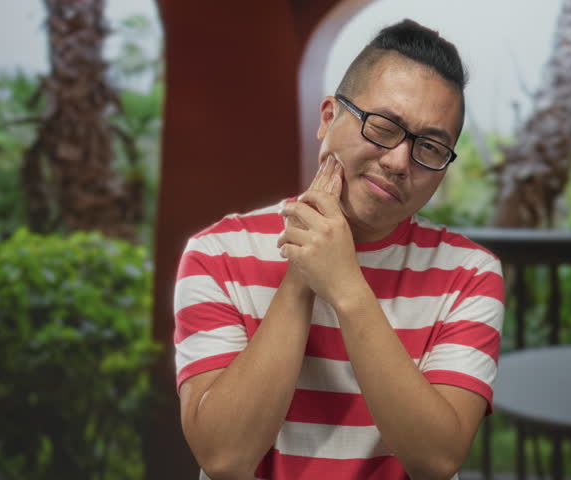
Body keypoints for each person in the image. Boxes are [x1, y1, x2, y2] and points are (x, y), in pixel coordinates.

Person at [174, 19, 504, 480]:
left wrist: (346, 287)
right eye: (384, 127)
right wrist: (303, 274)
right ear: (328, 117)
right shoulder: (217, 254)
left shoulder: (469, 273)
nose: (398, 161)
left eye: (430, 147)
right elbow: (225, 458)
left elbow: (437, 460)